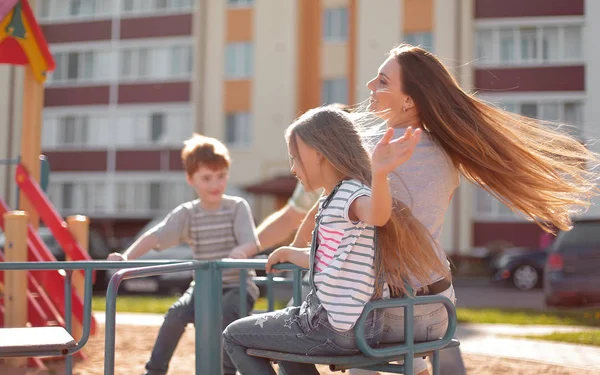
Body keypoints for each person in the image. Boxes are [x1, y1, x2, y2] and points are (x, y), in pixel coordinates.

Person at [293, 43, 600, 375]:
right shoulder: (446, 153)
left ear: (409, 101)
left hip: (383, 305)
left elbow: (332, 213)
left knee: (285, 338)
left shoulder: (375, 153)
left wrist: (296, 252)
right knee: (412, 361)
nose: (370, 87)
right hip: (436, 302)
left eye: (382, 81)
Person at [223, 107, 450, 375]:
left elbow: (378, 215)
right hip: (350, 324)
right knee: (284, 348)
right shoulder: (334, 198)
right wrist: (289, 252)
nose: (293, 168)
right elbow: (332, 257)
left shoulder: (352, 193)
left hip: (333, 326)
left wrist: (380, 173)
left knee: (232, 335)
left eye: (295, 158)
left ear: (320, 154)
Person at [106, 134, 261, 375]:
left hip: (236, 285)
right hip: (202, 286)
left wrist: (239, 252)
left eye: (221, 176)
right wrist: (127, 257)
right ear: (191, 179)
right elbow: (156, 236)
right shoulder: (188, 214)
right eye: (207, 178)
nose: (215, 184)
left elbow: (252, 241)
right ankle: (154, 370)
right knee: (175, 315)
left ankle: (225, 372)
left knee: (226, 316)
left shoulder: (236, 207)